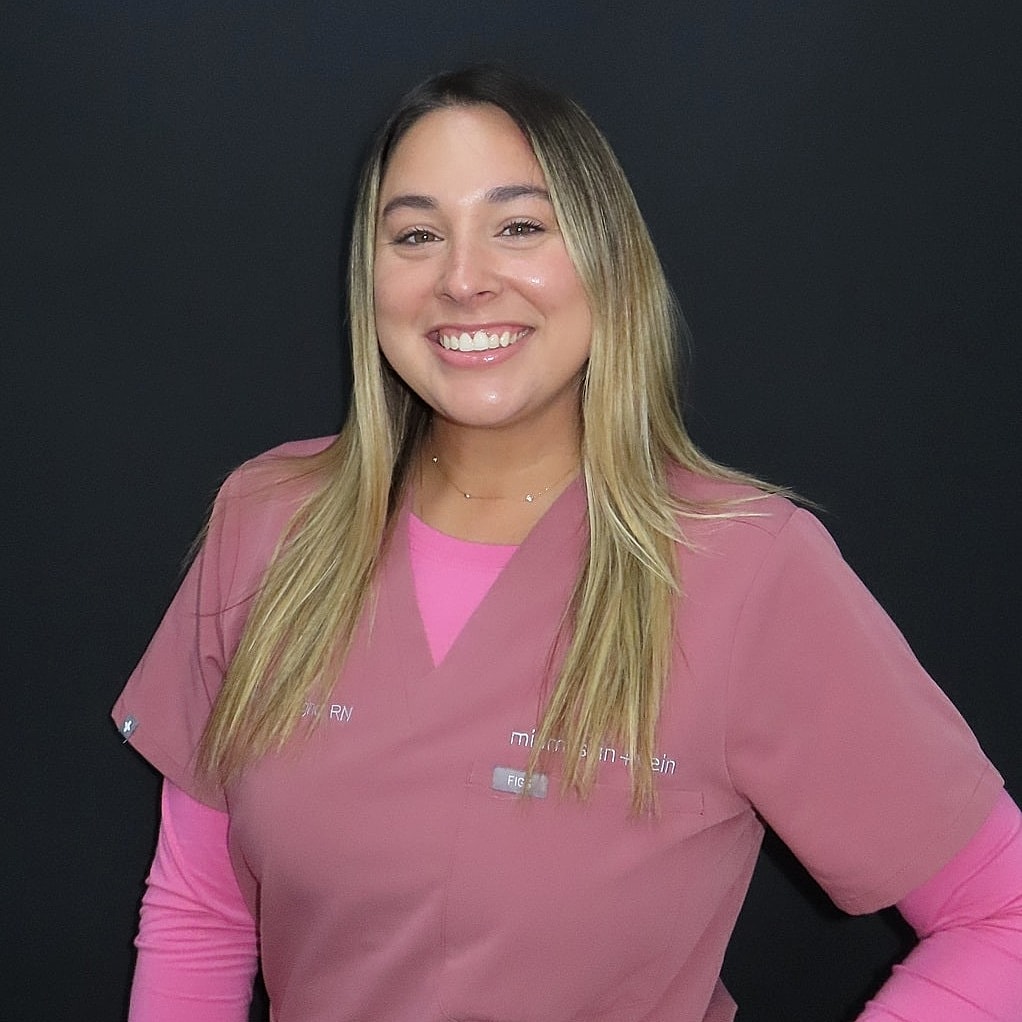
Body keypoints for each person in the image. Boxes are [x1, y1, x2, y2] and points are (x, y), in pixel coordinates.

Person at [113, 65, 1022, 1022]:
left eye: (519, 226)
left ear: (607, 259)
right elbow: (203, 912)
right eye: (416, 235)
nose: (463, 278)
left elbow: (1001, 915)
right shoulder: (268, 522)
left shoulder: (747, 570)